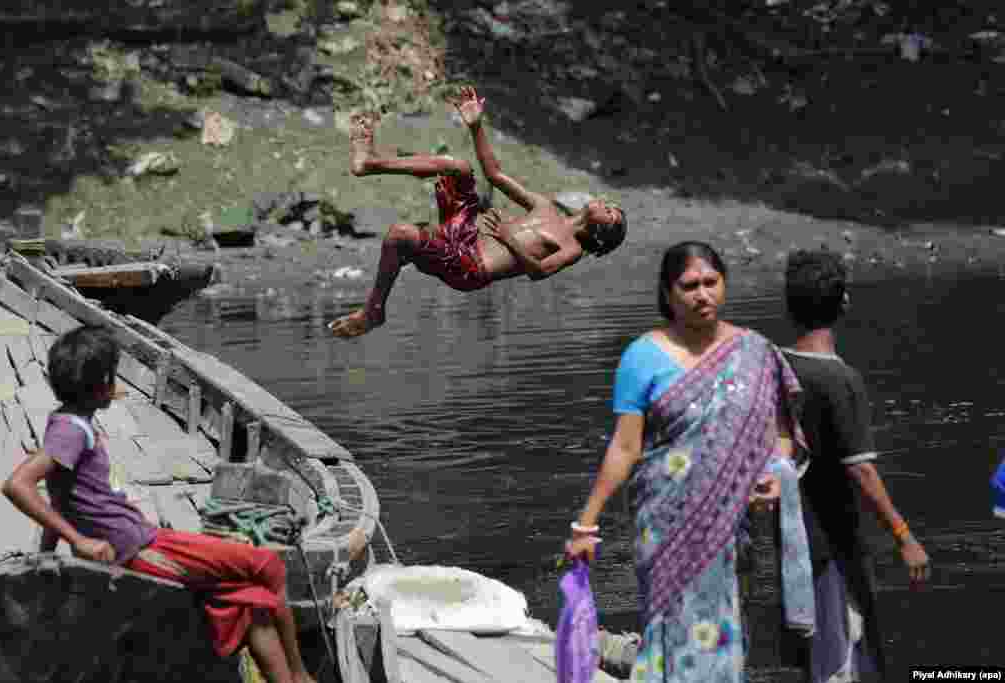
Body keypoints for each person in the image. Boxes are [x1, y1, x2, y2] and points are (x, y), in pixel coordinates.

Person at [1, 326, 315, 683]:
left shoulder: (66, 421)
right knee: (270, 565)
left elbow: (61, 492)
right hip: (135, 546)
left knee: (252, 601)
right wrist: (77, 541)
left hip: (139, 536)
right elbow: (18, 485)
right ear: (103, 382)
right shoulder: (72, 430)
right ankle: (302, 674)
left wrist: (47, 548)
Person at [566, 241, 814, 682]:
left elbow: (780, 433)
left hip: (731, 525)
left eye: (711, 283)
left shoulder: (755, 353)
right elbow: (625, 447)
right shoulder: (642, 357)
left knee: (725, 626)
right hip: (664, 525)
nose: (703, 294)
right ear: (668, 293)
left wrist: (776, 472)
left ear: (724, 285)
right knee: (669, 625)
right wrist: (586, 524)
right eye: (690, 285)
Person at [328, 86, 627, 338]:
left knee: (400, 233)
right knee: (457, 167)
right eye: (611, 205)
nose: (607, 205)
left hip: (471, 267)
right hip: (465, 236)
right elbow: (495, 175)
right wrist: (476, 126)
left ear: (601, 233)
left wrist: (509, 238)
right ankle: (370, 164)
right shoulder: (546, 206)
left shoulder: (572, 247)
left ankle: (373, 311)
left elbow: (538, 273)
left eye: (611, 214)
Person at [782, 250, 929, 683]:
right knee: (841, 657)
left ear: (790, 307)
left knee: (817, 653)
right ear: (843, 303)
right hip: (833, 547)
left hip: (792, 541)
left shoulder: (779, 366)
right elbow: (861, 472)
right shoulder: (840, 380)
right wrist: (904, 536)